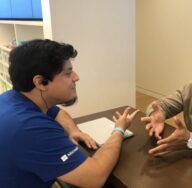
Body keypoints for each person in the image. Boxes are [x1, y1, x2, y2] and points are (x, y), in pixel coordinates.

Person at [0, 39, 138, 187]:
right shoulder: (30, 127)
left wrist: (73, 130)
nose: (76, 77)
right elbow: (95, 177)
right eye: (68, 73)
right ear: (41, 83)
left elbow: (57, 112)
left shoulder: (13, 98)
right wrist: (119, 130)